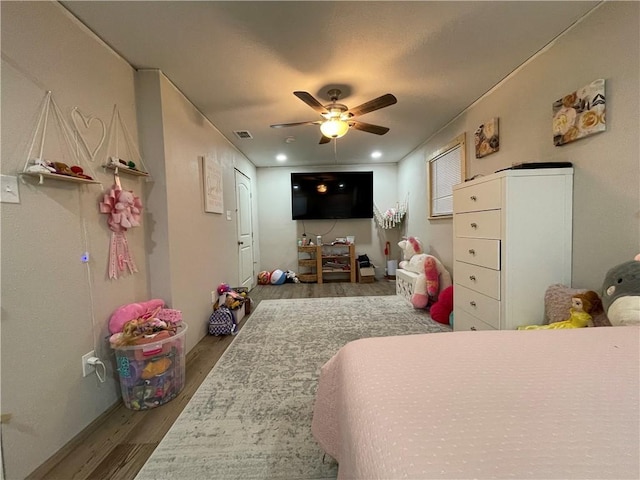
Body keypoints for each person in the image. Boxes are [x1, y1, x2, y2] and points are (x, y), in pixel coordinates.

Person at [518, 291, 602, 330]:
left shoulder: (587, 318)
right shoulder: (575, 311)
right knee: (551, 327)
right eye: (573, 303)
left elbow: (592, 330)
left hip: (574, 329)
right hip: (567, 324)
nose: (573, 305)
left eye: (577, 304)